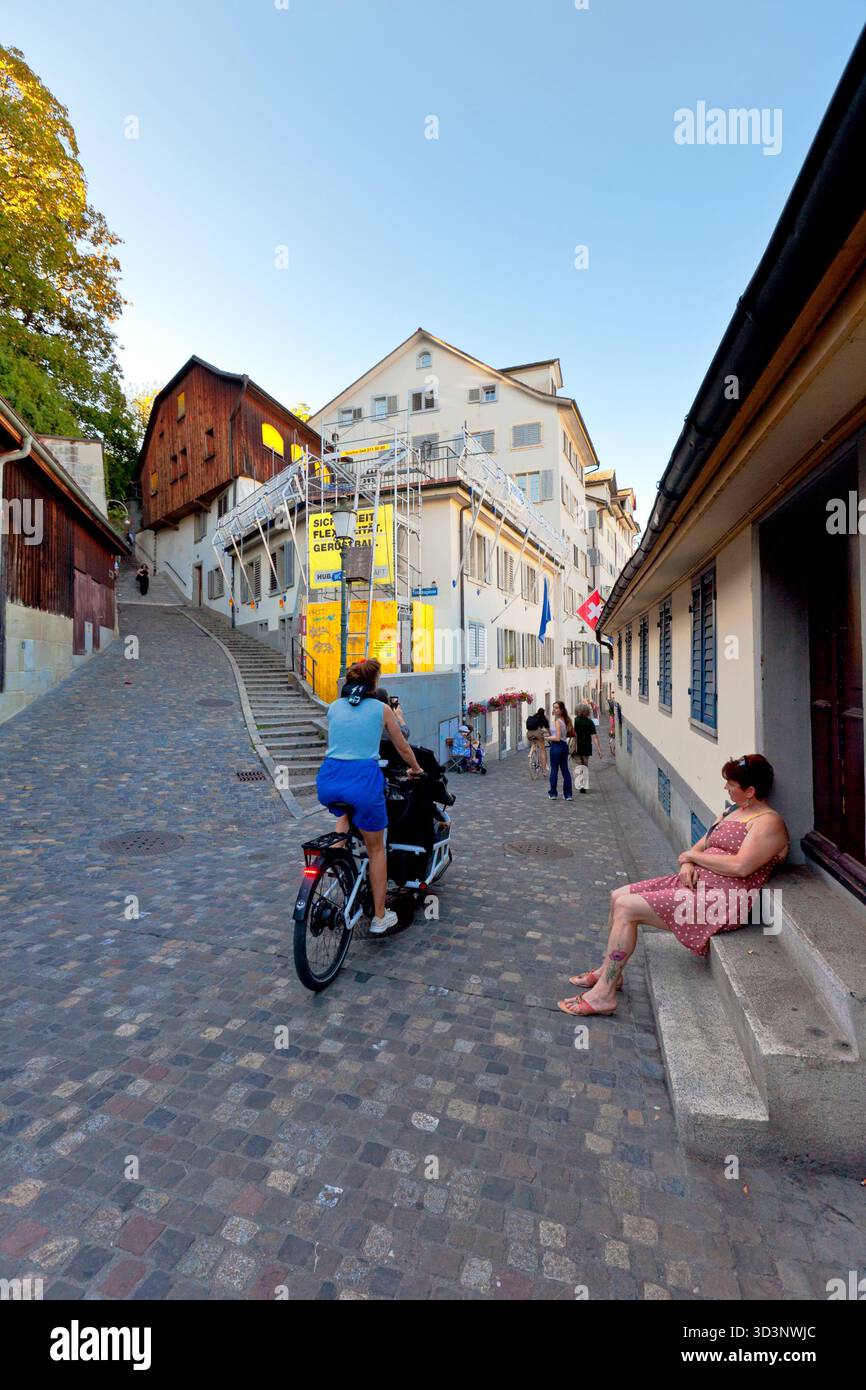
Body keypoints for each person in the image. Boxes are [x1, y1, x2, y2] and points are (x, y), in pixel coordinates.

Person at [558, 754, 789, 1016]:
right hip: (696, 884)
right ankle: (608, 973)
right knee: (618, 895)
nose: (726, 788)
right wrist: (688, 864)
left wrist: (691, 857)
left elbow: (741, 867)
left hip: (722, 901)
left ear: (750, 791)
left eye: (731, 785)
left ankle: (603, 995)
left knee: (627, 907)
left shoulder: (769, 822)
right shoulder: (732, 812)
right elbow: (699, 847)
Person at [316, 658, 424, 938]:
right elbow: (402, 746)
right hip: (363, 779)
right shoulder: (381, 708)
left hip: (329, 778)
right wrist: (416, 768)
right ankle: (379, 916)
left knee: (344, 811)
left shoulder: (334, 706)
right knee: (376, 850)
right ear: (374, 683)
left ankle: (335, 862)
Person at [571, 701, 603, 793]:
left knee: (577, 764)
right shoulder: (590, 722)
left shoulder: (575, 721)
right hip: (586, 746)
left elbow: (570, 733)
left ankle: (579, 782)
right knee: (585, 765)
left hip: (576, 746)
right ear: (587, 712)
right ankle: (584, 785)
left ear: (577, 711)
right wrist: (599, 750)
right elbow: (594, 736)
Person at [547, 701, 575, 801]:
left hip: (557, 746)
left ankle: (553, 793)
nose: (554, 709)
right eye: (554, 707)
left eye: (557, 708)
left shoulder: (558, 721)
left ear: (561, 710)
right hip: (564, 746)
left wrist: (548, 738)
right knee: (565, 770)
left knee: (554, 770)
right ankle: (568, 794)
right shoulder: (565, 720)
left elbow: (558, 737)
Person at [525, 707, 549, 774]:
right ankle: (544, 770)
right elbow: (547, 728)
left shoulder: (533, 717)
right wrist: (550, 734)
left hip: (529, 734)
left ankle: (531, 752)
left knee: (534, 741)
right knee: (543, 750)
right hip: (538, 734)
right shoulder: (543, 718)